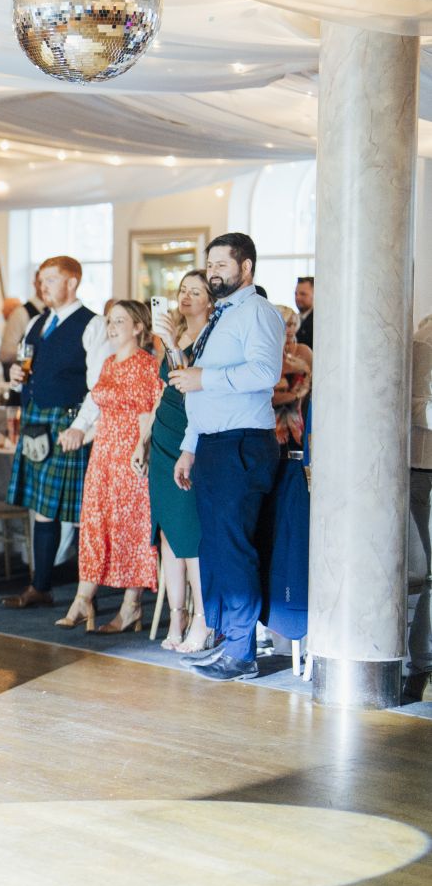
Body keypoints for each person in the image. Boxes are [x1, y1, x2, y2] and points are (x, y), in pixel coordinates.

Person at [170, 233, 285, 682]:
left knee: (233, 546)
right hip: (213, 443)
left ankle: (241, 653)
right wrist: (189, 446)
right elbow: (199, 390)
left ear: (246, 267)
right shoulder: (222, 315)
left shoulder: (258, 312)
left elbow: (265, 372)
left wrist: (206, 378)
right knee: (215, 545)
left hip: (242, 442)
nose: (213, 272)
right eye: (210, 264)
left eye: (222, 264)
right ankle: (225, 641)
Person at [1, 256, 106, 609]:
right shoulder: (36, 322)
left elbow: (99, 386)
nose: (42, 286)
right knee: (42, 508)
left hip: (68, 424)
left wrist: (80, 427)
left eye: (50, 279)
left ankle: (87, 595)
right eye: (41, 280)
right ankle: (40, 587)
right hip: (36, 421)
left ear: (72, 282)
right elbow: (28, 368)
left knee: (79, 512)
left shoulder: (93, 324)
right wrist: (16, 378)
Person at [54, 301, 163, 631]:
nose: (111, 327)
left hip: (130, 456)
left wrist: (142, 449)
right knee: (94, 524)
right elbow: (104, 416)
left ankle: (131, 606)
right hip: (102, 455)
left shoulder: (146, 365)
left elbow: (149, 413)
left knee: (131, 528)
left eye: (119, 321)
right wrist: (79, 435)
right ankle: (83, 598)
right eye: (110, 321)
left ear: (138, 327)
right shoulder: (108, 363)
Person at [133, 270, 210, 651]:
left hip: (189, 437)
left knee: (189, 533)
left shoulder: (211, 337)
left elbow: (190, 386)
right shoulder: (175, 334)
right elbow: (164, 391)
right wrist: (142, 440)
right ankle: (175, 614)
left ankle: (202, 617)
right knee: (166, 531)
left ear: (211, 299)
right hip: (162, 436)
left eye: (196, 291)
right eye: (183, 290)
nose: (186, 296)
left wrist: (172, 345)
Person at [407, 314, 432, 703]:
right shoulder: (422, 342)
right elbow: (410, 405)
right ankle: (420, 662)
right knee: (421, 571)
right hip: (420, 467)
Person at [272, 306, 312, 447]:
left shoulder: (304, 351)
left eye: (294, 324)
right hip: (272, 423)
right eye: (287, 324)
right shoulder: (269, 353)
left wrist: (305, 370)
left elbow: (315, 384)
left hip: (300, 419)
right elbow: (270, 397)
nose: (291, 329)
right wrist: (295, 395)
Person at [294, 276, 314, 349]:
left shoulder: (318, 321)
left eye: (303, 294)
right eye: (296, 294)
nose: (297, 297)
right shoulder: (293, 318)